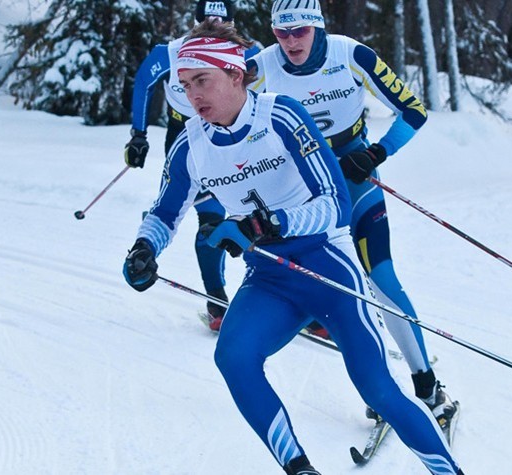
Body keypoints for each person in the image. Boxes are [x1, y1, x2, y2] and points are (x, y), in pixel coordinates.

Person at [122, 18, 464, 475]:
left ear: (235, 73)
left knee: (379, 390)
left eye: (201, 80)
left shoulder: (281, 116)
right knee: (234, 358)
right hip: (271, 280)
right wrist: (144, 248)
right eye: (183, 85)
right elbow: (164, 213)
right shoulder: (189, 145)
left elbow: (335, 205)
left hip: (328, 269)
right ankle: (301, 469)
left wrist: (265, 224)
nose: (191, 96)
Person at [247, 0, 457, 430]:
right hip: (300, 188)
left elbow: (413, 111)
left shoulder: (351, 54)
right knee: (340, 287)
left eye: (300, 31)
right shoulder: (260, 66)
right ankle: (381, 389)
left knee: (381, 279)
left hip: (353, 174)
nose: (291, 42)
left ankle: (428, 386)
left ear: (318, 27)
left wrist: (377, 152)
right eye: (281, 32)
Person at [125, 0, 259, 331]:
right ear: (195, 21)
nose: (215, 26)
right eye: (208, 20)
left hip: (235, 139)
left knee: (258, 216)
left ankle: (291, 298)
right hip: (187, 138)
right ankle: (217, 302)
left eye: (222, 22)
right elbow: (143, 83)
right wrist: (138, 135)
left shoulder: (247, 53)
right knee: (210, 219)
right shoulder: (171, 52)